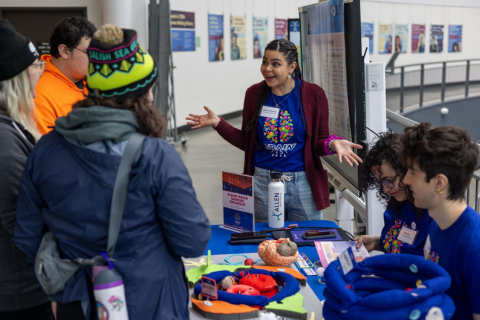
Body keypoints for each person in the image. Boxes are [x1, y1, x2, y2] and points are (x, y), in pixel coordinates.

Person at [14, 24, 211, 320]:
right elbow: (192, 241)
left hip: (75, 304)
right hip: (150, 302)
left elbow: (28, 235)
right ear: (143, 93)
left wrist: (66, 283)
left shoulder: (45, 150)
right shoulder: (156, 157)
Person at [187, 39, 362, 222]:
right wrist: (218, 123)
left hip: (302, 183)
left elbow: (318, 144)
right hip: (263, 182)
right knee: (267, 241)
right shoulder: (254, 94)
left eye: (275, 64)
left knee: (307, 240)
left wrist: (332, 143)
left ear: (291, 67)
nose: (267, 68)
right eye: (264, 62)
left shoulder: (314, 95)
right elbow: (246, 142)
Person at [400, 123, 480, 320]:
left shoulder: (473, 245)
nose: (405, 180)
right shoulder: (436, 222)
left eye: (413, 172)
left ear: (439, 183)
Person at [0, 20, 52, 320]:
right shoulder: (5, 140)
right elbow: (21, 220)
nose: (40, 72)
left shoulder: (13, 128)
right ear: (17, 78)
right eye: (36, 65)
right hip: (20, 293)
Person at [354, 131, 431, 255]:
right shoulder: (398, 203)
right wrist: (376, 242)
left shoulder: (432, 212)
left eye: (388, 181)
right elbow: (400, 246)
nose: (385, 189)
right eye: (379, 182)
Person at [34, 16, 96, 135]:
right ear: (64, 51)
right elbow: (47, 149)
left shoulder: (94, 82)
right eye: (89, 52)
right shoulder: (39, 94)